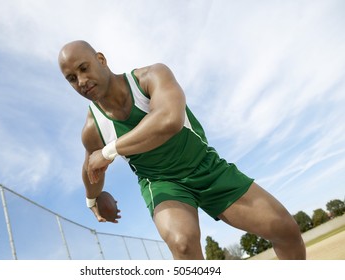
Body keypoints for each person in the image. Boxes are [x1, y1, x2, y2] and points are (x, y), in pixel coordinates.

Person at [58, 40, 306, 260]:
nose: (81, 81)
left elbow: (168, 121)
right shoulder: (92, 129)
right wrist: (92, 199)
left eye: (83, 68)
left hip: (206, 167)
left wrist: (108, 151)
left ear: (100, 60)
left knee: (285, 229)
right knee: (182, 244)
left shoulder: (151, 76)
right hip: (162, 183)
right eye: (71, 78)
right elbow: (91, 168)